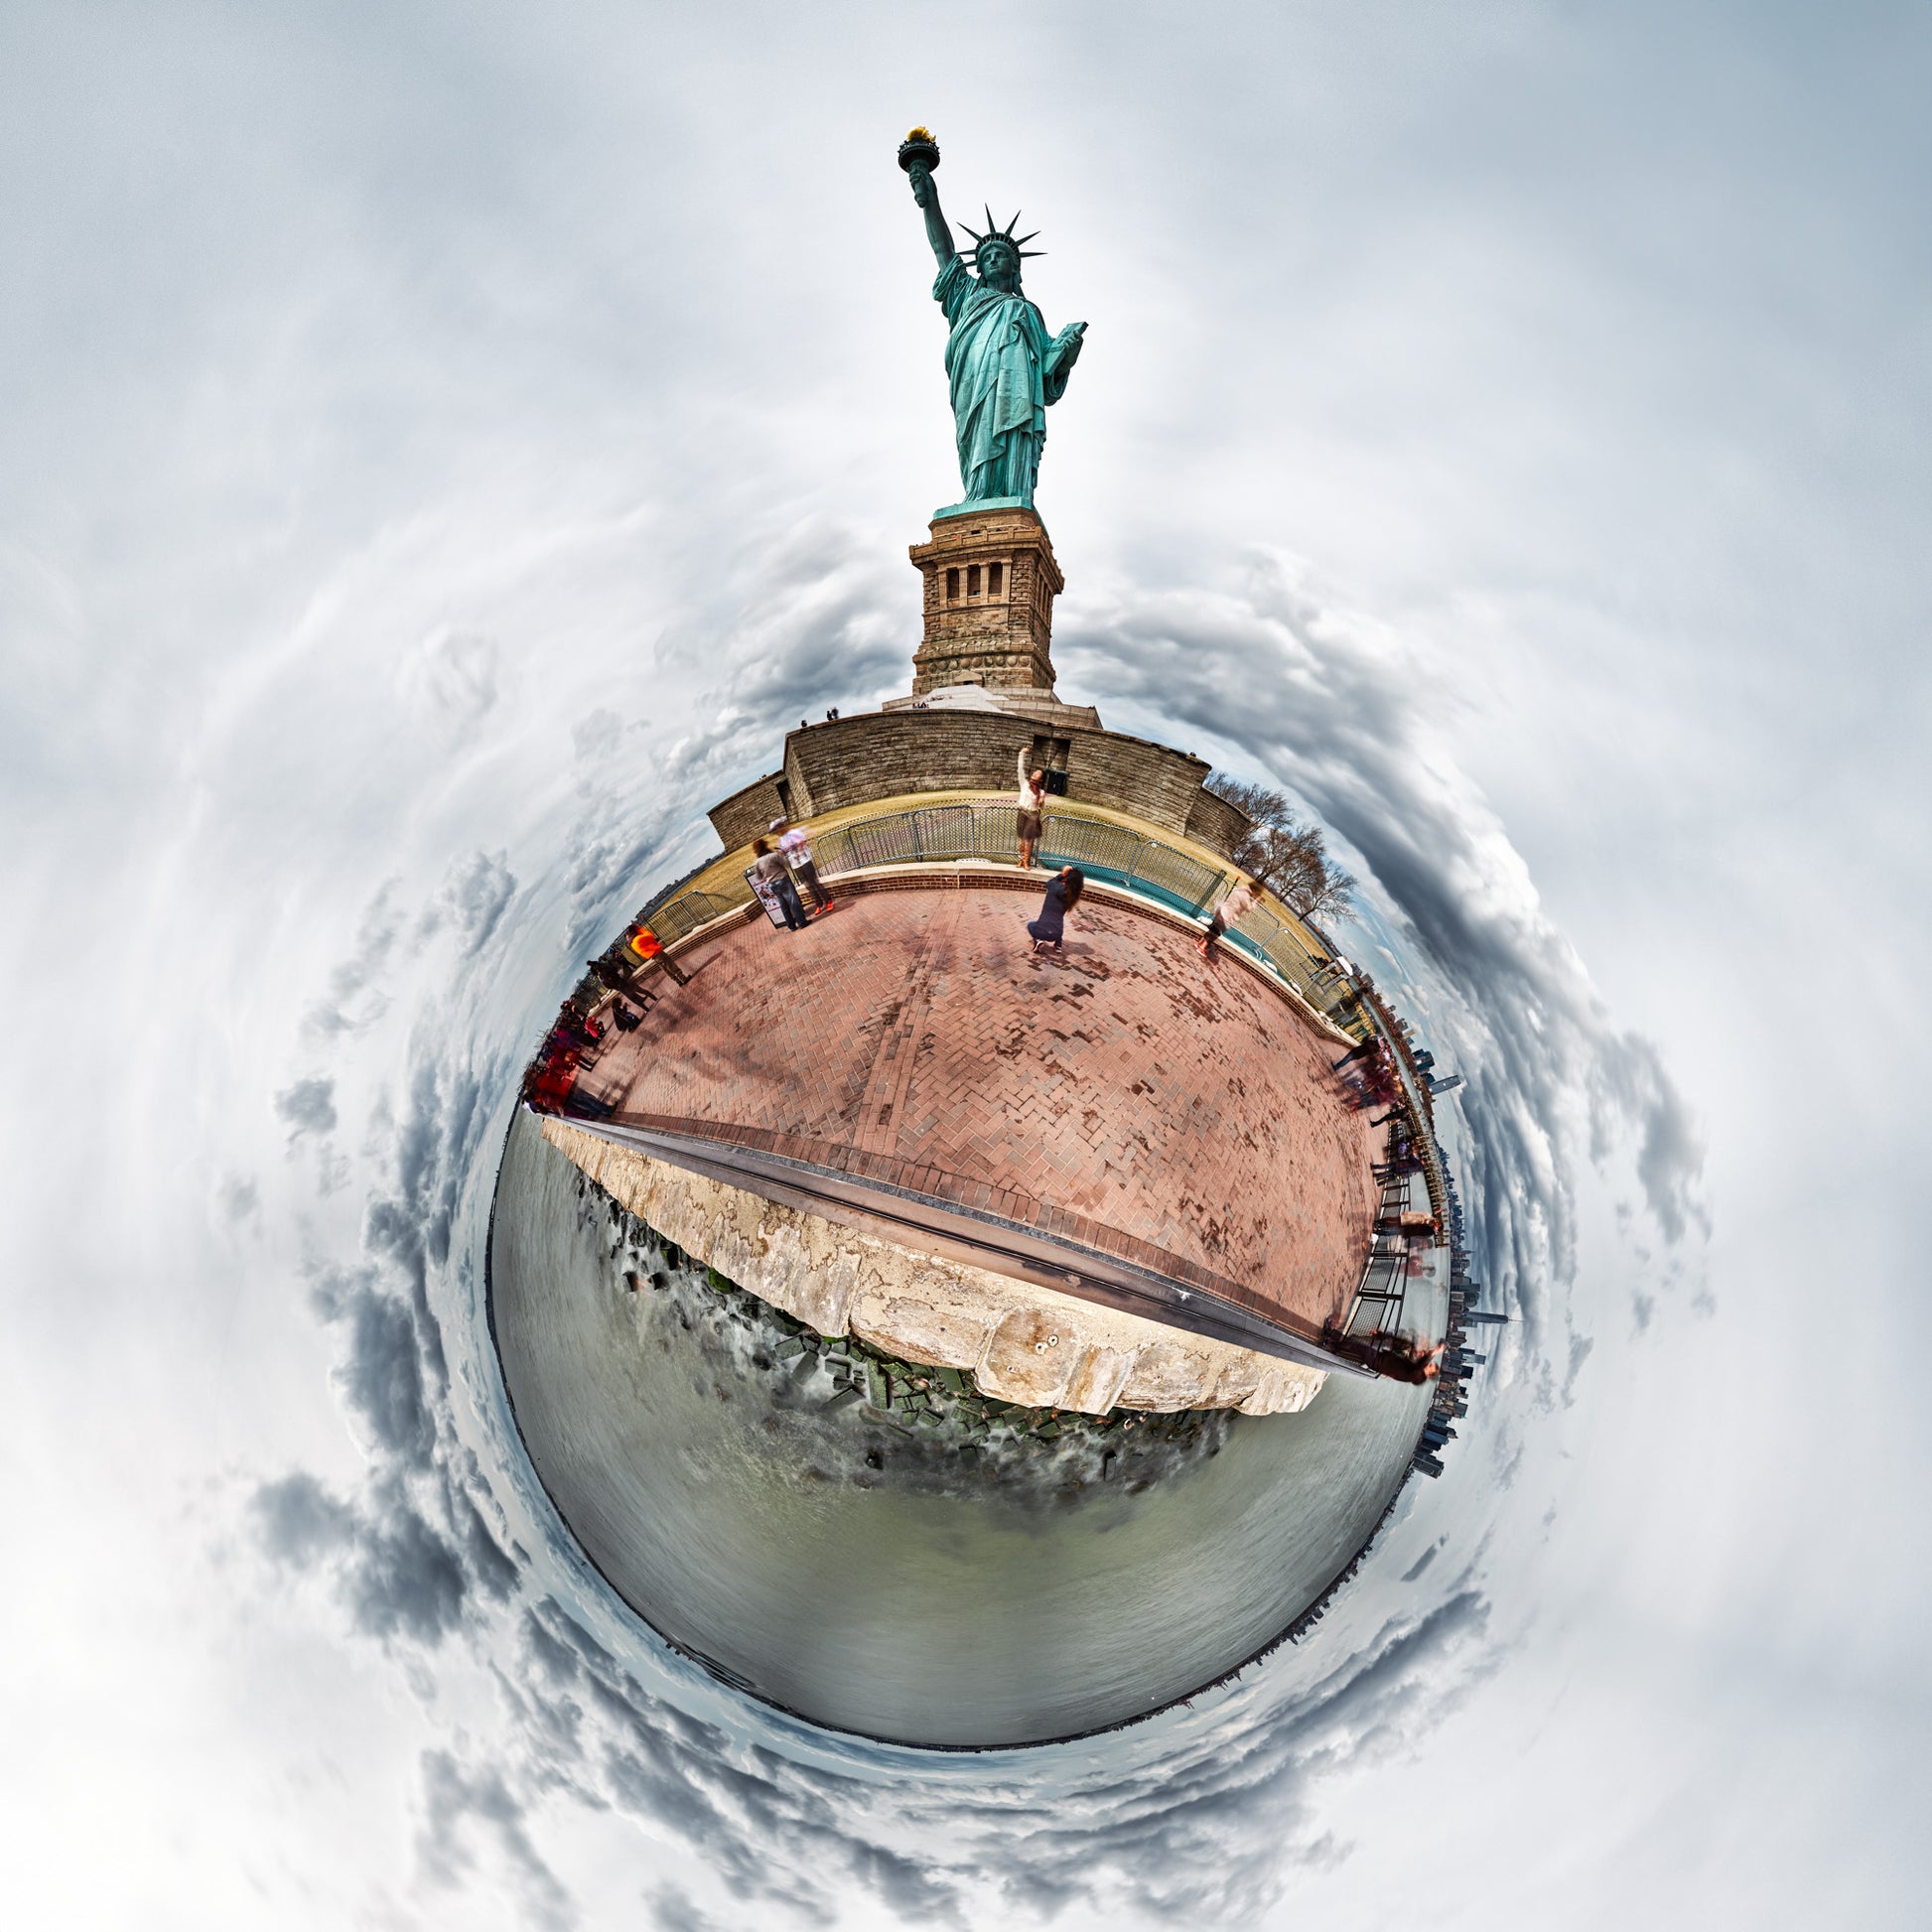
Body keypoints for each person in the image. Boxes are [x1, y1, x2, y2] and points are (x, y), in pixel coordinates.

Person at [771, 815, 833, 914]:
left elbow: (801, 843)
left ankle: (828, 901)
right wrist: (781, 852)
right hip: (795, 864)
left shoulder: (794, 833)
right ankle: (819, 904)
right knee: (808, 885)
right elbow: (785, 850)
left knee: (814, 882)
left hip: (805, 860)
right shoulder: (781, 839)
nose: (776, 833)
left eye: (776, 830)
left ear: (781, 827)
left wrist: (798, 853)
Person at [751, 837, 809, 931]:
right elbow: (787, 864)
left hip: (772, 885)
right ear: (765, 845)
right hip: (783, 880)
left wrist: (766, 874)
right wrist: (783, 855)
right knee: (793, 902)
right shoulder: (773, 856)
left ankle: (791, 926)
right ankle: (802, 922)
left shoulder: (757, 862)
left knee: (784, 906)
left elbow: (758, 877)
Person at [1026, 865, 1084, 952]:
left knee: (1030, 925)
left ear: (1067, 878)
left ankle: (1038, 940)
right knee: (1055, 924)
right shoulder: (1073, 895)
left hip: (1043, 931)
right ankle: (1058, 946)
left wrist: (1062, 874)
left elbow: (1049, 883)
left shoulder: (1055, 887)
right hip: (1057, 933)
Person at [1198, 876, 1257, 959]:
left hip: (1221, 910)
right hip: (1227, 916)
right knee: (1216, 933)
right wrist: (1255, 901)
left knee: (1213, 929)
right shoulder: (1245, 895)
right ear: (1254, 890)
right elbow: (1248, 908)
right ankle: (1202, 948)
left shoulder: (1238, 889)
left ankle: (1200, 943)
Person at [1016, 746, 1047, 870]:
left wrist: (1042, 801)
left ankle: (1026, 862)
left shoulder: (1041, 792)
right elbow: (1020, 769)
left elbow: (1042, 807)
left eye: (1038, 773)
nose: (1035, 773)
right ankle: (1021, 859)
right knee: (1021, 840)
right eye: (1035, 772)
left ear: (1041, 779)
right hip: (1022, 812)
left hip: (1032, 815)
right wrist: (1021, 754)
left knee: (1028, 840)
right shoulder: (1024, 784)